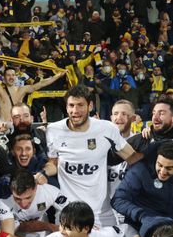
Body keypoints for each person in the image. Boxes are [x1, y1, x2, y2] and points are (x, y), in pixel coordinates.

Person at [45, 85, 140, 227]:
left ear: (90, 106)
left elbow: (132, 157)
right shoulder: (53, 130)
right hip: (69, 210)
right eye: (71, 105)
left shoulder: (107, 129)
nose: (75, 111)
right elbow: (53, 164)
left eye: (80, 105)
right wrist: (41, 173)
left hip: (102, 212)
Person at [111, 141, 173, 235]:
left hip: (171, 227)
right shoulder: (140, 170)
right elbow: (118, 199)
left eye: (169, 168)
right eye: (159, 165)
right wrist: (141, 216)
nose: (162, 172)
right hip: (140, 224)